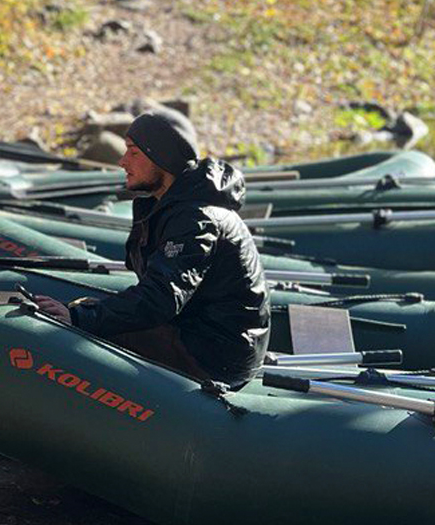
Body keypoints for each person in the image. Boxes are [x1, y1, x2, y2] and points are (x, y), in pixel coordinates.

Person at [32, 108, 270, 387]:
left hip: (214, 355)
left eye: (133, 153)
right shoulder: (170, 207)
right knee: (87, 311)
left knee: (80, 334)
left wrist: (78, 317)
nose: (122, 162)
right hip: (198, 336)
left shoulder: (196, 218)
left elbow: (162, 298)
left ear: (162, 158)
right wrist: (84, 312)